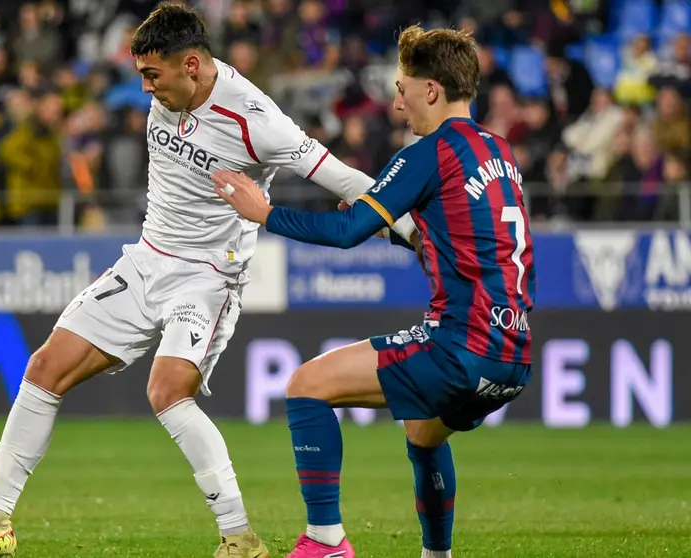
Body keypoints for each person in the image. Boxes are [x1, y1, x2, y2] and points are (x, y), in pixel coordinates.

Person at [0, 4, 417, 558]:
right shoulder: (166, 93)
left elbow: (345, 177)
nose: (146, 90)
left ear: (191, 64)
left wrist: (412, 230)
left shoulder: (257, 120)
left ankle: (239, 538)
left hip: (208, 276)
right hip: (145, 259)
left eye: (152, 76)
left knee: (166, 391)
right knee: (44, 367)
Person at [213, 25, 535, 558]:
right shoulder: (500, 153)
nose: (397, 100)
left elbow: (344, 233)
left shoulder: (427, 154)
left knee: (305, 386)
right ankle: (438, 555)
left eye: (403, 86)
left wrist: (263, 213)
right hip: (514, 355)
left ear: (431, 90)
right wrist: (393, 229)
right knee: (423, 436)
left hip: (459, 347)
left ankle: (326, 542)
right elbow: (459, 244)